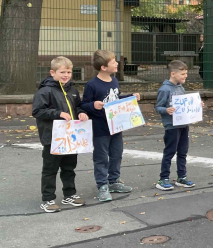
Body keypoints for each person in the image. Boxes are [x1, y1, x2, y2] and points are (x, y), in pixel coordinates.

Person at [80, 50, 140, 202]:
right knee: (101, 158)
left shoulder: (114, 81)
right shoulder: (92, 85)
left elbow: (116, 99)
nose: (117, 63)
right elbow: (84, 105)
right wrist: (93, 105)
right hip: (101, 128)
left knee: (116, 154)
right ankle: (102, 186)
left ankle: (114, 181)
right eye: (113, 62)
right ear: (103, 67)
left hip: (116, 125)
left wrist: (130, 97)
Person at [32, 56, 89, 213]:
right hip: (53, 138)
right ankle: (48, 199)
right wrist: (58, 113)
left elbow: (78, 107)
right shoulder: (45, 91)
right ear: (52, 72)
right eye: (62, 72)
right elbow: (37, 111)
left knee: (69, 167)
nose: (66, 75)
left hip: (71, 137)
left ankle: (69, 194)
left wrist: (82, 113)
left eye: (69, 72)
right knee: (50, 169)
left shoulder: (73, 90)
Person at [155, 60, 201, 191]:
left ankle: (182, 177)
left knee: (183, 152)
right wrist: (166, 110)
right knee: (169, 152)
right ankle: (163, 178)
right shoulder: (164, 89)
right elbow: (158, 107)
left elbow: (185, 104)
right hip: (171, 126)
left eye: (186, 73)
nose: (185, 76)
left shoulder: (180, 87)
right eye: (183, 74)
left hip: (183, 124)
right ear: (173, 73)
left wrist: (197, 105)